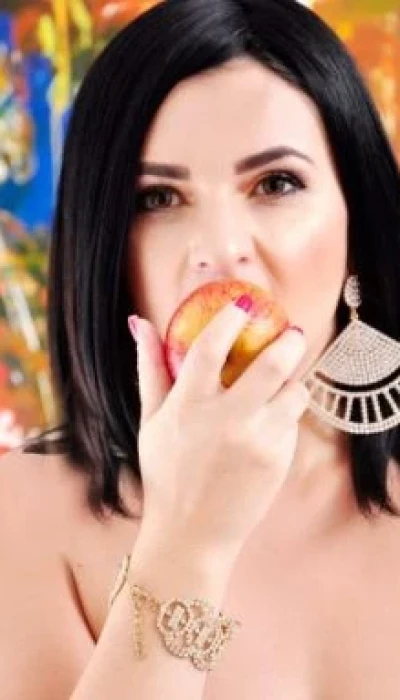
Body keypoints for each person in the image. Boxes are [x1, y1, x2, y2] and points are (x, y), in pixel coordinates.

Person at [2, 0, 400, 696]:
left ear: (356, 228)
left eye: (276, 184)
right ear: (110, 251)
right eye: (158, 198)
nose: (220, 249)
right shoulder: (22, 515)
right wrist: (189, 538)